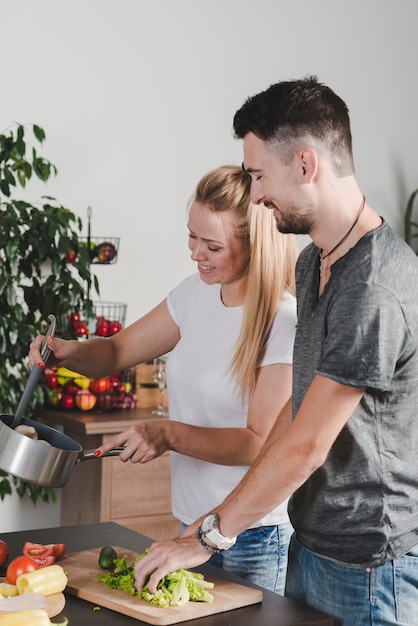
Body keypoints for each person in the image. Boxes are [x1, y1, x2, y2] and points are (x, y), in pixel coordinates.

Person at [129, 76, 418, 626]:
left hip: (371, 567)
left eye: (259, 175)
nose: (255, 193)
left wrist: (213, 535)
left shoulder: (372, 285)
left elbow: (308, 443)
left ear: (306, 165)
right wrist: (219, 518)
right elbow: (294, 416)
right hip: (310, 547)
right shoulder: (312, 263)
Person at [30, 164, 299, 594]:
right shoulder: (195, 294)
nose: (195, 253)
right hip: (191, 522)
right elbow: (117, 351)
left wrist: (168, 434)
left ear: (255, 246)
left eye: (211, 245)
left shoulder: (282, 321)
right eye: (192, 236)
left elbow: (258, 443)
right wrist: (67, 352)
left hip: (253, 535)